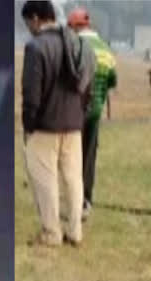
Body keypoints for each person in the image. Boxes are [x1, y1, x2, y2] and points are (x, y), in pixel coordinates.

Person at [20, 0, 92, 247]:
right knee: (74, 180)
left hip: (45, 126)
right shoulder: (74, 42)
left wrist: (28, 125)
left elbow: (31, 94)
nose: (28, 28)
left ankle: (51, 233)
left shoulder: (35, 48)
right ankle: (75, 232)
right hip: (73, 125)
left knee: (45, 180)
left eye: (28, 22)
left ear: (37, 18)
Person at [67, 8, 116, 220]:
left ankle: (74, 203)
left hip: (75, 110)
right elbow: (113, 80)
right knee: (88, 155)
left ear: (75, 27)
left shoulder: (75, 46)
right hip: (95, 111)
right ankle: (86, 200)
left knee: (71, 157)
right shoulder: (106, 49)